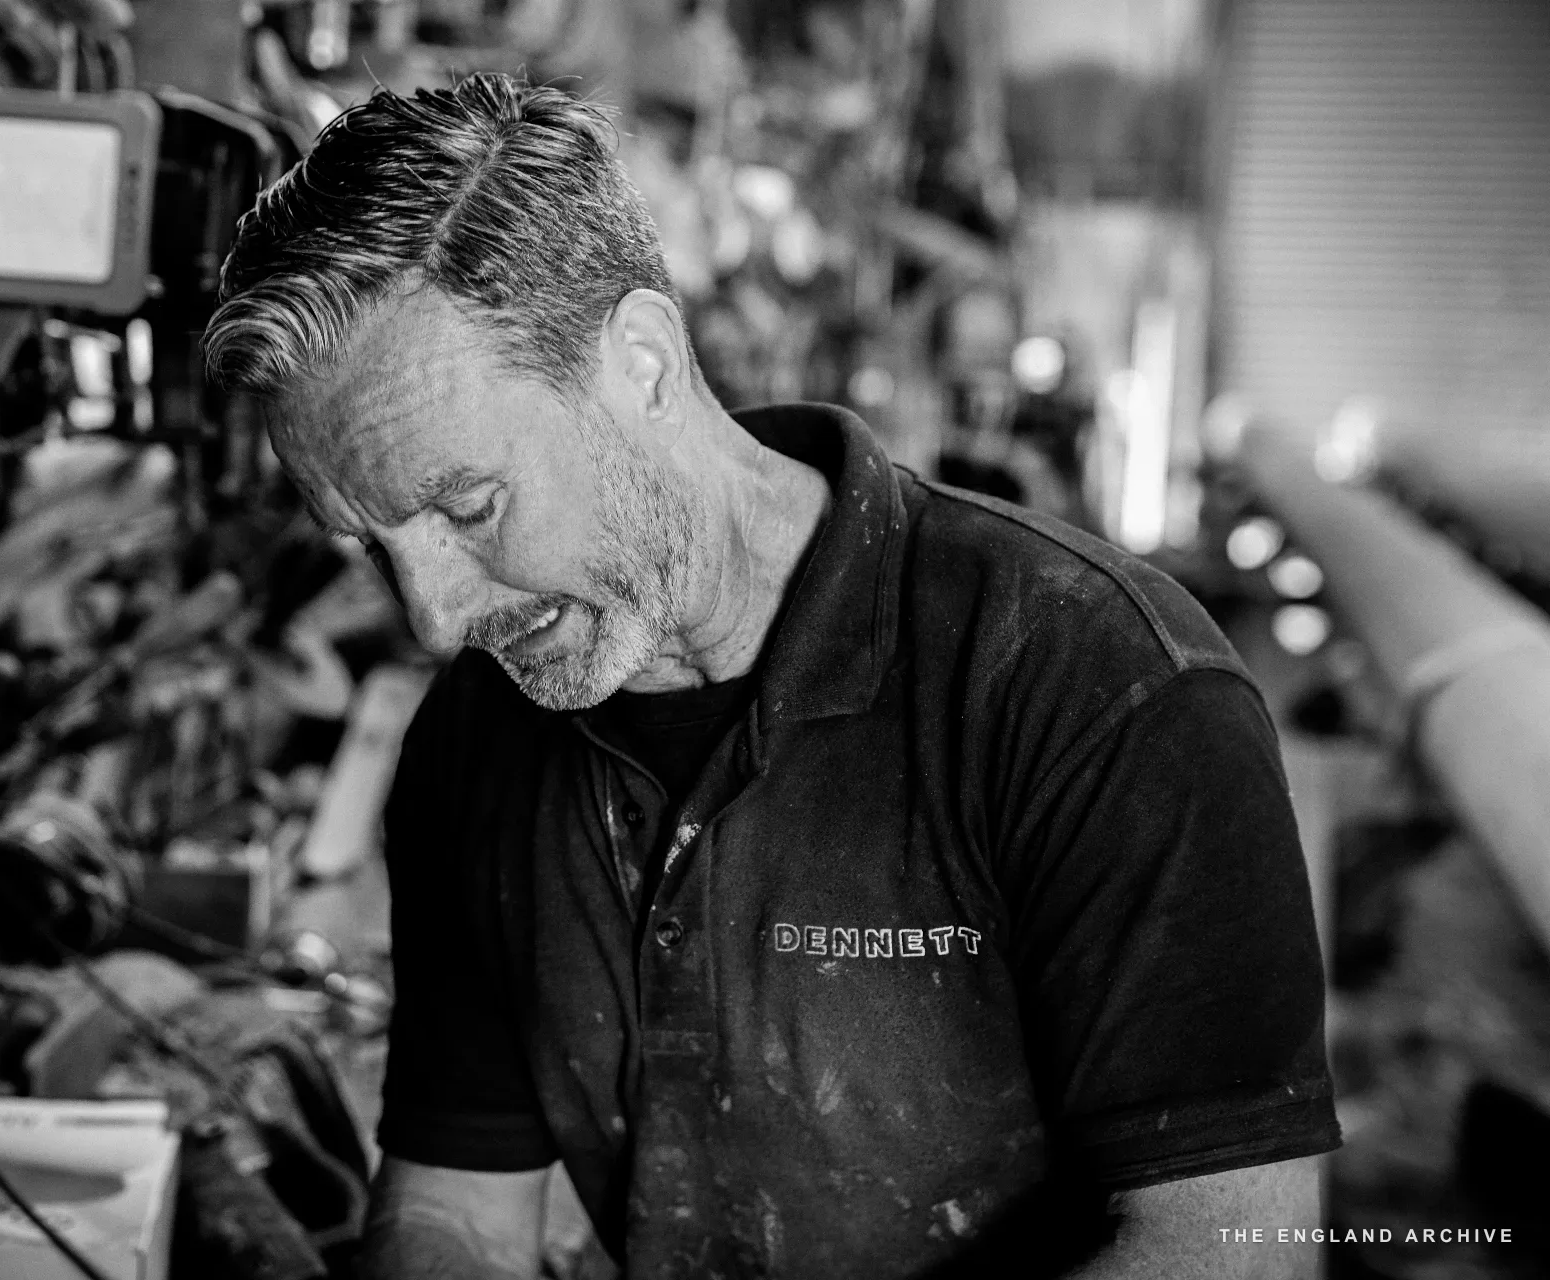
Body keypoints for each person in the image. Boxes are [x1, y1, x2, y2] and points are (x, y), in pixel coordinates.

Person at [204, 73, 1338, 1280]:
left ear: (640, 360)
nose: (433, 616)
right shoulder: (475, 741)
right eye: (371, 543)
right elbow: (454, 1214)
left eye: (469, 504)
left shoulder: (1094, 684)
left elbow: (1228, 1256)